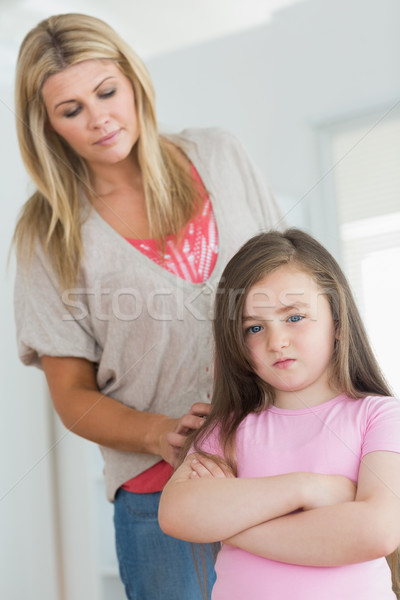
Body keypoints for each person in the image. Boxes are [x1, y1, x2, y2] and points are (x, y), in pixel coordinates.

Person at [12, 12, 282, 600]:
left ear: (133, 80)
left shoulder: (220, 154)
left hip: (279, 462)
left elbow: (297, 294)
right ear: (47, 127)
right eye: (71, 109)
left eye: (106, 91)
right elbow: (72, 397)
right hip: (161, 495)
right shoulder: (46, 233)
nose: (99, 119)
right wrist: (161, 434)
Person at [159, 228, 400, 600]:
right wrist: (307, 488)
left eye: (294, 317)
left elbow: (376, 530)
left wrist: (231, 525)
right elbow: (177, 512)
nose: (276, 341)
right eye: (254, 327)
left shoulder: (379, 417)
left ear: (337, 320)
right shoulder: (228, 428)